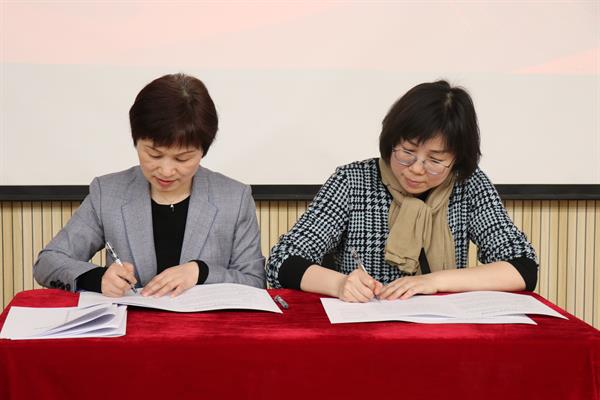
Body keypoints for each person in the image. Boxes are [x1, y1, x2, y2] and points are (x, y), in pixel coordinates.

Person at [266, 80, 538, 302]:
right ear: (391, 140)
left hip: (443, 330)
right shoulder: (353, 180)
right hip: (365, 331)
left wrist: (434, 281)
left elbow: (522, 267)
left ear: (457, 159)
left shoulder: (468, 184)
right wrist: (340, 284)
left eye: (435, 160)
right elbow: (283, 259)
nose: (417, 169)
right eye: (407, 152)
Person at [34, 73, 265, 297]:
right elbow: (48, 262)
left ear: (203, 151)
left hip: (204, 323)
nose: (166, 170)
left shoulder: (234, 198)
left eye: (182, 159)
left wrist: (201, 272)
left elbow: (254, 282)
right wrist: (97, 278)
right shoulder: (108, 193)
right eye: (154, 155)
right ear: (136, 141)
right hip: (130, 322)